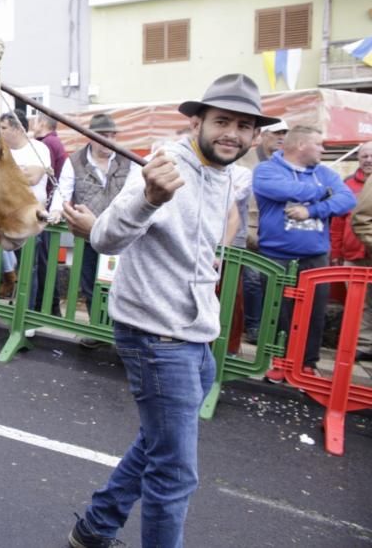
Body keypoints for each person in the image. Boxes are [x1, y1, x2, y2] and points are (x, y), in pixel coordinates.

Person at [63, 73, 276, 548]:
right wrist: (148, 197)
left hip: (198, 333)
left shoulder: (223, 174)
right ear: (197, 120)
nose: (232, 134)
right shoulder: (163, 167)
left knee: (158, 446)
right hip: (157, 336)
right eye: (222, 121)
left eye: (244, 126)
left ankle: (95, 526)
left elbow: (204, 238)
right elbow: (104, 238)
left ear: (255, 135)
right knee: (175, 472)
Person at [253, 126, 356, 381]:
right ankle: (277, 362)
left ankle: (306, 365)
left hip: (315, 256)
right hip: (276, 255)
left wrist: (312, 211)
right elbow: (286, 191)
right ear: (301, 145)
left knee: (314, 312)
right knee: (277, 312)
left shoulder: (325, 173)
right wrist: (324, 193)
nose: (323, 149)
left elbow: (348, 200)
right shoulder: (266, 170)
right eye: (319, 144)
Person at [48, 113, 133, 335]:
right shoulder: (75, 161)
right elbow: (63, 190)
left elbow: (139, 192)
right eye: (104, 135)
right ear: (91, 137)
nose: (110, 140)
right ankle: (97, 330)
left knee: (121, 285)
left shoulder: (128, 160)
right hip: (90, 234)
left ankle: (118, 333)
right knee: (90, 282)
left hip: (121, 233)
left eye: (112, 135)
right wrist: (57, 209)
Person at [236, 120, 289, 342]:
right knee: (252, 279)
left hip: (276, 230)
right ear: (263, 134)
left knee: (275, 281)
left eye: (285, 134)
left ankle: (271, 328)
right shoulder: (244, 158)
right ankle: (254, 326)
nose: (281, 138)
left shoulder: (286, 163)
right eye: (277, 133)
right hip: (248, 226)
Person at [0, 110, 52, 304]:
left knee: (30, 266)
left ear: (17, 128)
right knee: (1, 263)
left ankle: (27, 311)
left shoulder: (38, 148)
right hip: (4, 217)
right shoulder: (2, 150)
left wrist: (9, 177)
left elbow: (33, 178)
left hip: (32, 218)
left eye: (3, 127)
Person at [330, 141, 372, 360]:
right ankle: (360, 346)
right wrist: (336, 252)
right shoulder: (347, 185)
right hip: (353, 256)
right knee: (357, 305)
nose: (368, 160)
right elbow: (337, 222)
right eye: (364, 156)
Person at [30, 112, 68, 315]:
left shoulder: (47, 145)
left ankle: (46, 307)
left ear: (43, 123)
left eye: (35, 121)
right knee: (45, 260)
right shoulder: (54, 143)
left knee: (43, 261)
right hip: (50, 209)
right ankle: (48, 307)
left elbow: (49, 179)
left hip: (48, 211)